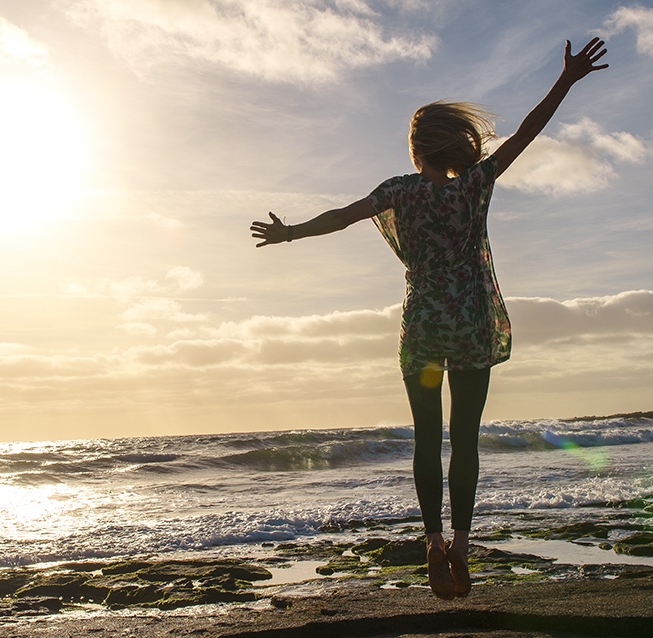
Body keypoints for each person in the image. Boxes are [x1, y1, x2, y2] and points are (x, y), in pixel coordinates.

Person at [250, 37, 608, 599]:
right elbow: (525, 135)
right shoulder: (474, 184)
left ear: (417, 151)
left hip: (422, 329)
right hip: (470, 324)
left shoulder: (398, 192)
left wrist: (289, 231)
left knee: (425, 439)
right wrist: (565, 81)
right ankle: (463, 549)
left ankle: (432, 542)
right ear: (455, 147)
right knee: (465, 439)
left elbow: (341, 218)